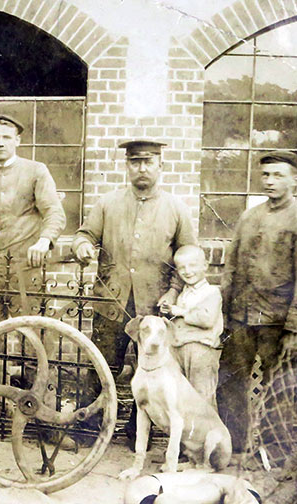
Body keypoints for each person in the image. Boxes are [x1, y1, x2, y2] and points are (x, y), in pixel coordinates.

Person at [72, 139, 197, 447]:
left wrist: (174, 291)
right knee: (102, 365)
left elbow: (189, 253)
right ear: (127, 166)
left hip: (154, 306)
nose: (142, 168)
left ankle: (137, 432)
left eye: (148, 162)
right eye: (135, 162)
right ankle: (88, 428)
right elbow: (84, 235)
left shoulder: (176, 208)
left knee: (152, 369)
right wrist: (83, 247)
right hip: (111, 301)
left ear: (160, 166)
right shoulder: (108, 203)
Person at [218, 150, 297, 458]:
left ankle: (275, 450)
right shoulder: (250, 217)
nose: (270, 181)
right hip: (242, 319)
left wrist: (294, 328)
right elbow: (231, 266)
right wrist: (225, 310)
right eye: (266, 175)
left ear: (293, 180)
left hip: (277, 322)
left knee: (280, 388)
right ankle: (233, 445)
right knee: (230, 380)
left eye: (278, 175)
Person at [0, 115, 66, 385]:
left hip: (25, 269)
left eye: (7, 137)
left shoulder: (36, 171)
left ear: (17, 141)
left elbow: (54, 213)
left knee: (34, 337)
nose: (1, 143)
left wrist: (43, 241)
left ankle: (37, 402)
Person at [161, 245, 223, 408]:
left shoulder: (211, 292)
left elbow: (206, 319)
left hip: (201, 352)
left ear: (205, 266)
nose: (187, 271)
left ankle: (208, 432)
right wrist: (169, 313)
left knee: (202, 396)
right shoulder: (184, 293)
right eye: (182, 268)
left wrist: (180, 311)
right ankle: (185, 432)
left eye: (192, 265)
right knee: (181, 395)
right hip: (180, 349)